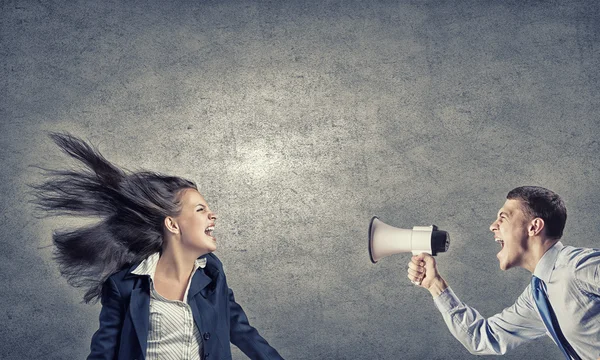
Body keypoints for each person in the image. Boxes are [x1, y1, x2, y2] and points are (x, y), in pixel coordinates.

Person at [33, 133, 284, 360]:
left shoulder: (212, 273)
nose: (213, 215)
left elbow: (242, 331)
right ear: (173, 225)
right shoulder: (124, 286)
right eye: (200, 209)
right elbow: (103, 353)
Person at [407, 186, 599, 359]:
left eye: (503, 217)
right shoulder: (537, 298)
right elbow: (482, 338)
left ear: (534, 227)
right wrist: (434, 285)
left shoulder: (577, 266)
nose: (493, 226)